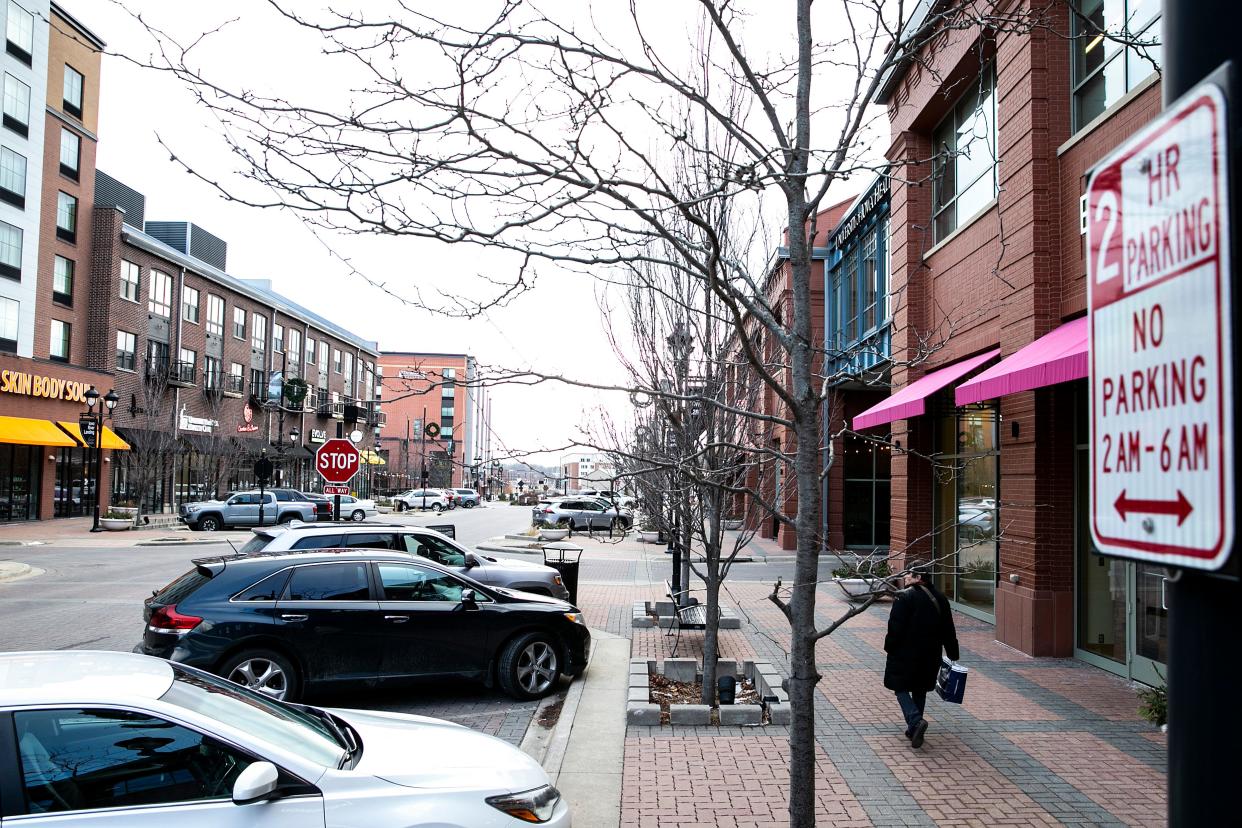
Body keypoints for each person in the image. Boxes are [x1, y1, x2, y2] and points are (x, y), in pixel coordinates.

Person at [883, 564, 959, 749]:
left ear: (918, 577)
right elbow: (948, 629)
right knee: (920, 688)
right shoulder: (940, 598)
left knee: (900, 687)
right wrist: (952, 653)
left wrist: (889, 646)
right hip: (930, 653)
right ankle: (913, 728)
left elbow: (895, 626)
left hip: (904, 653)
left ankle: (915, 721)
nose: (906, 578)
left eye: (908, 574)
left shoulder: (904, 597)